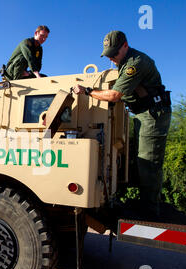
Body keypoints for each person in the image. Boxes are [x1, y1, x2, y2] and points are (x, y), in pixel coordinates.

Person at [72, 30, 171, 218]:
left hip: (153, 114)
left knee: (148, 162)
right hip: (144, 113)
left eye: (114, 53)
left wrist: (87, 91)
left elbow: (114, 96)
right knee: (139, 159)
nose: (111, 58)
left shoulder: (135, 63)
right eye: (108, 54)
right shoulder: (124, 63)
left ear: (125, 46)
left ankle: (150, 212)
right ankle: (145, 204)